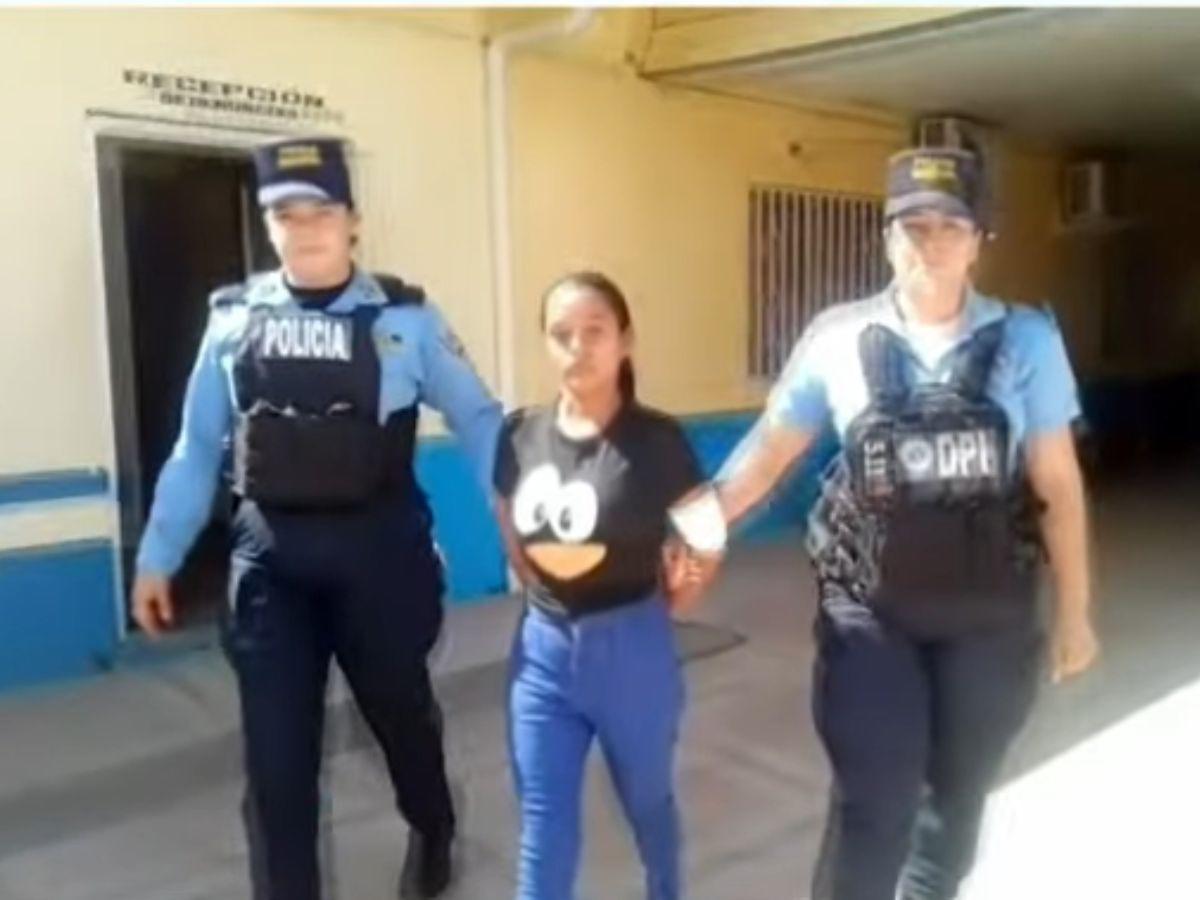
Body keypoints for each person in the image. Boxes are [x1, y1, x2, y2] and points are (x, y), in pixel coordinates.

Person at [715, 147, 1099, 899]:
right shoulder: (838, 338)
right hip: (872, 619)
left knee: (953, 810)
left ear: (980, 239)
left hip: (989, 621)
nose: (931, 243)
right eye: (913, 226)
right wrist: (688, 530)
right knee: (874, 805)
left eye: (951, 226)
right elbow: (764, 457)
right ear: (887, 237)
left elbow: (1056, 481)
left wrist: (1075, 613)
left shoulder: (1027, 341)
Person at [130, 136, 503, 900]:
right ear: (268, 225)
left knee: (401, 722)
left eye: (320, 212)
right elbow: (197, 447)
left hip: (381, 561)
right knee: (277, 767)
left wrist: (516, 511)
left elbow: (477, 415)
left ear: (353, 221)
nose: (304, 230)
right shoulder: (233, 321)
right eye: (285, 215)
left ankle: (433, 825)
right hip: (273, 566)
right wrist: (157, 556)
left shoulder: (405, 320)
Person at [492, 271, 726, 900]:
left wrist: (683, 594)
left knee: (648, 803)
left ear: (625, 341)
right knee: (544, 825)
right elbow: (506, 512)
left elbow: (706, 533)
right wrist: (538, 582)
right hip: (542, 656)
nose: (578, 347)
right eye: (561, 334)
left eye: (594, 331)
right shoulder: (520, 434)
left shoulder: (657, 441)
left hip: (632, 653)